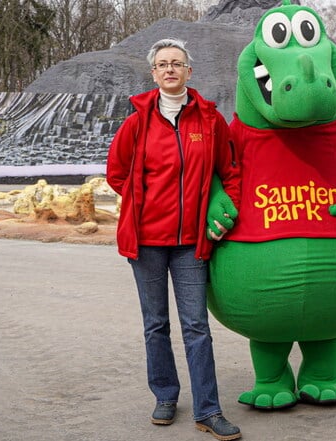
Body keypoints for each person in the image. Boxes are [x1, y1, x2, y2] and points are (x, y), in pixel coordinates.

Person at [106, 38, 242, 441]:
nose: (170, 70)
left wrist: (226, 210)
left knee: (197, 326)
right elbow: (117, 173)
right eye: (163, 64)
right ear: (153, 73)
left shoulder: (209, 121)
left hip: (190, 244)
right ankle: (165, 395)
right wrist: (140, 205)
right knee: (156, 324)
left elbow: (230, 172)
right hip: (147, 241)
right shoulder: (137, 122)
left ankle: (208, 410)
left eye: (177, 64)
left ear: (189, 72)